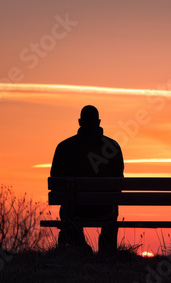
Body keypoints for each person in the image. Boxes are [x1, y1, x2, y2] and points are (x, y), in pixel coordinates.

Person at [50, 105, 124, 254]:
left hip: (74, 209)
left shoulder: (64, 148)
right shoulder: (112, 147)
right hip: (105, 209)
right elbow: (119, 184)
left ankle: (80, 249)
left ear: (79, 122)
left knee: (67, 211)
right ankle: (107, 253)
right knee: (113, 209)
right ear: (99, 122)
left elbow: (55, 180)